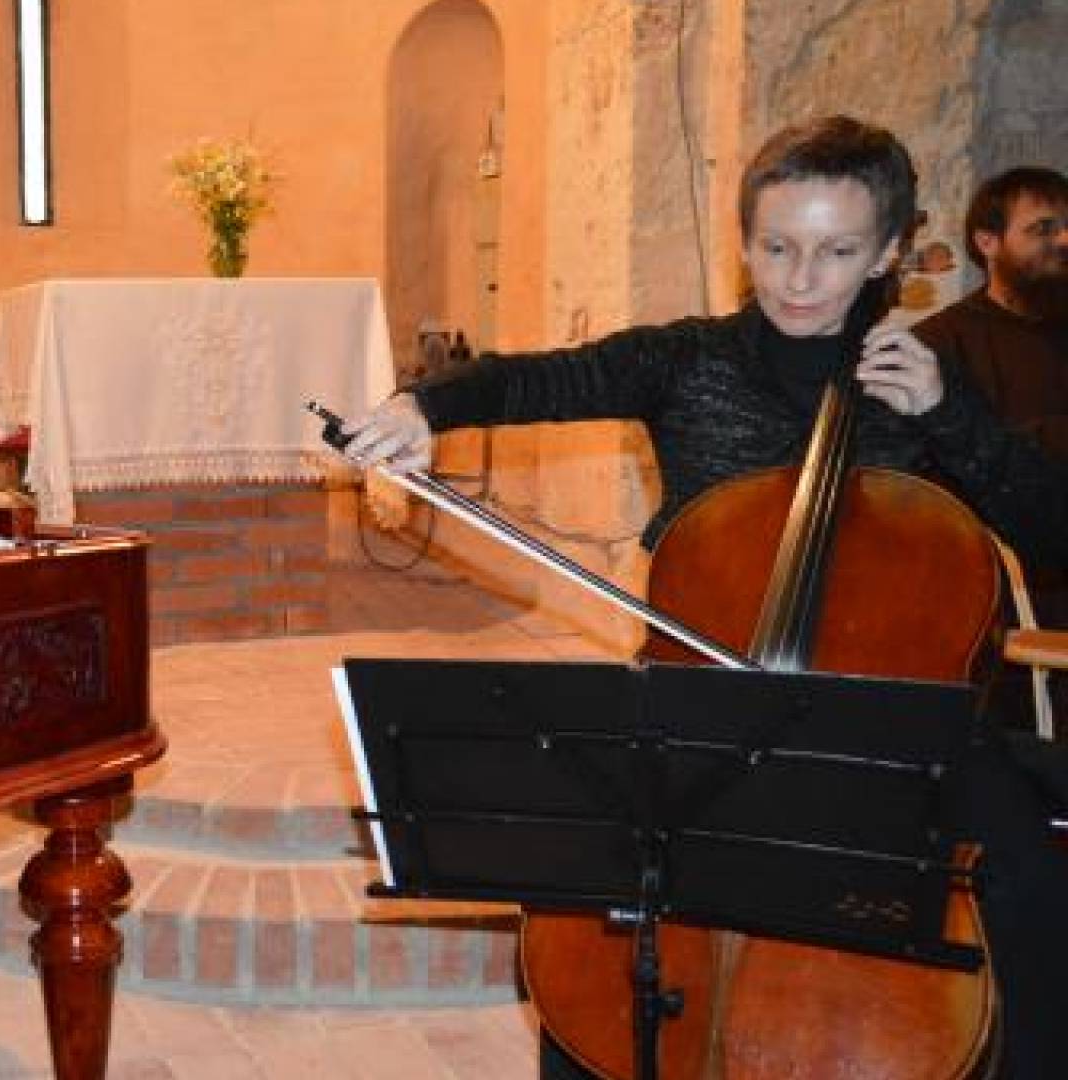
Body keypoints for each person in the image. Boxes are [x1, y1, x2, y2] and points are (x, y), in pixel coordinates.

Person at [343, 116, 1068, 1079]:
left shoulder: (939, 375)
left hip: (889, 724)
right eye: (775, 247)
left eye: (836, 251)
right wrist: (420, 407)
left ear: (890, 250)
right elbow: (536, 381)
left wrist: (951, 419)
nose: (799, 279)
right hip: (705, 707)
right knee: (595, 889)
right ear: (743, 241)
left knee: (1028, 884)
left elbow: (1050, 529)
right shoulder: (690, 360)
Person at [914, 167, 1068, 723]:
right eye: (1043, 229)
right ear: (987, 242)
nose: (1064, 240)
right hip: (1007, 599)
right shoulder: (938, 347)